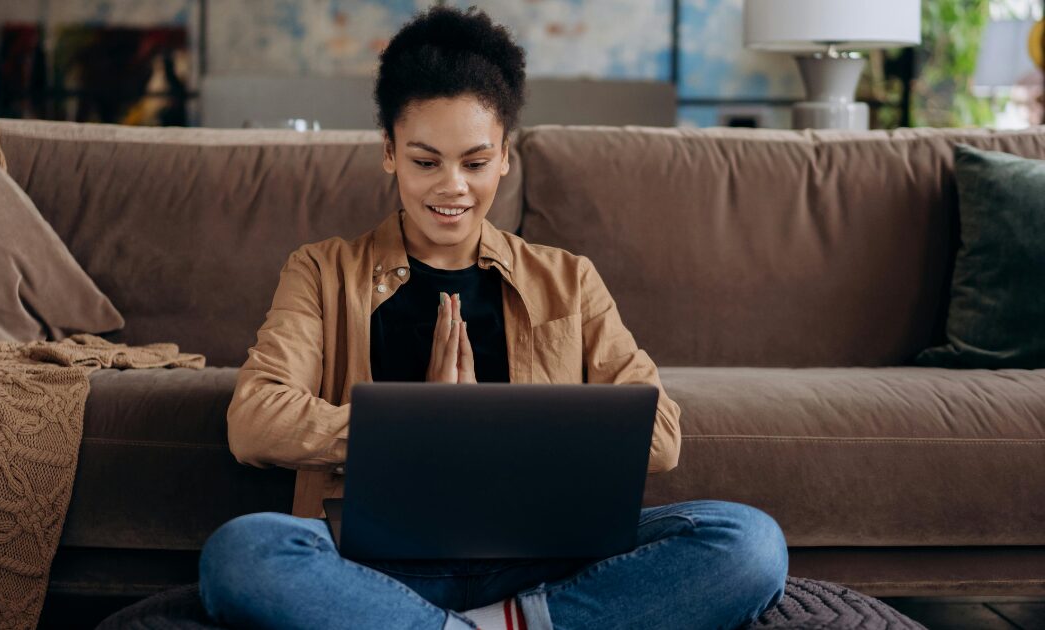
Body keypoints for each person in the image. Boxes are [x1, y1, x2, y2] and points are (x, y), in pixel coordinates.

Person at [199, 7, 787, 629]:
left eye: (475, 163)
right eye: (426, 162)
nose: (452, 187)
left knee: (749, 544)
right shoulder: (320, 271)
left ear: (505, 156)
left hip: (537, 559)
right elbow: (254, 420)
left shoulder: (569, 279)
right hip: (374, 563)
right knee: (241, 555)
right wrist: (418, 431)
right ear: (389, 153)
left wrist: (486, 433)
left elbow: (662, 435)